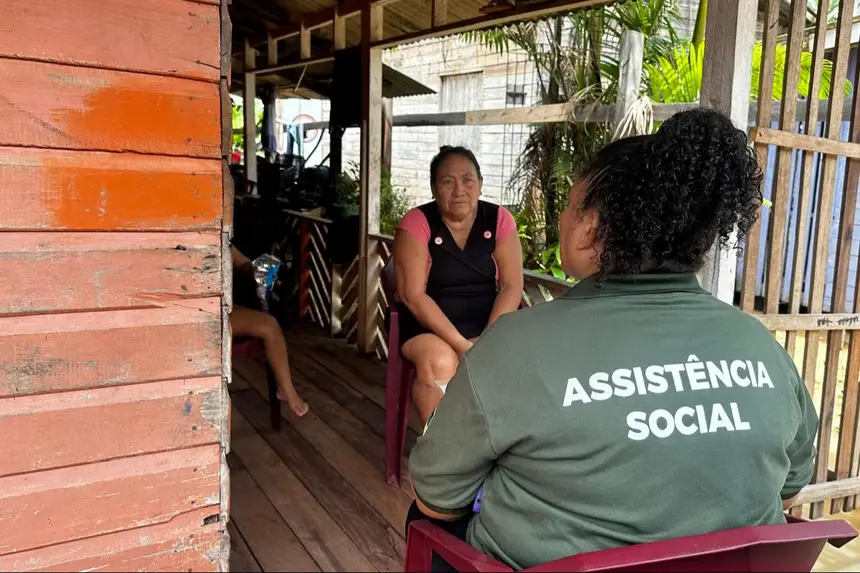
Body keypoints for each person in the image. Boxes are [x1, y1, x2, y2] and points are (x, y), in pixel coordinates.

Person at [406, 109, 819, 570]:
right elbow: (793, 485)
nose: (563, 216)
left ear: (590, 230)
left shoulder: (514, 346)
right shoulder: (760, 345)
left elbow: (436, 498)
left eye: (569, 205)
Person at [393, 146, 524, 423]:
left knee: (518, 360)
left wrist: (487, 340)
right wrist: (462, 346)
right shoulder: (418, 222)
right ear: (433, 188)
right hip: (426, 323)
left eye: (467, 180)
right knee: (441, 362)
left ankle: (488, 450)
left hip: (486, 322)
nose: (459, 190)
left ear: (480, 184)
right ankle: (442, 457)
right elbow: (413, 295)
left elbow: (512, 285)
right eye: (447, 181)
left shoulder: (499, 219)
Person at [230, 246, 308, 417]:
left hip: (224, 310)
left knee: (270, 325)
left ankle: (286, 389)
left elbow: (245, 265)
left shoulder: (220, 239)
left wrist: (261, 269)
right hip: (193, 316)